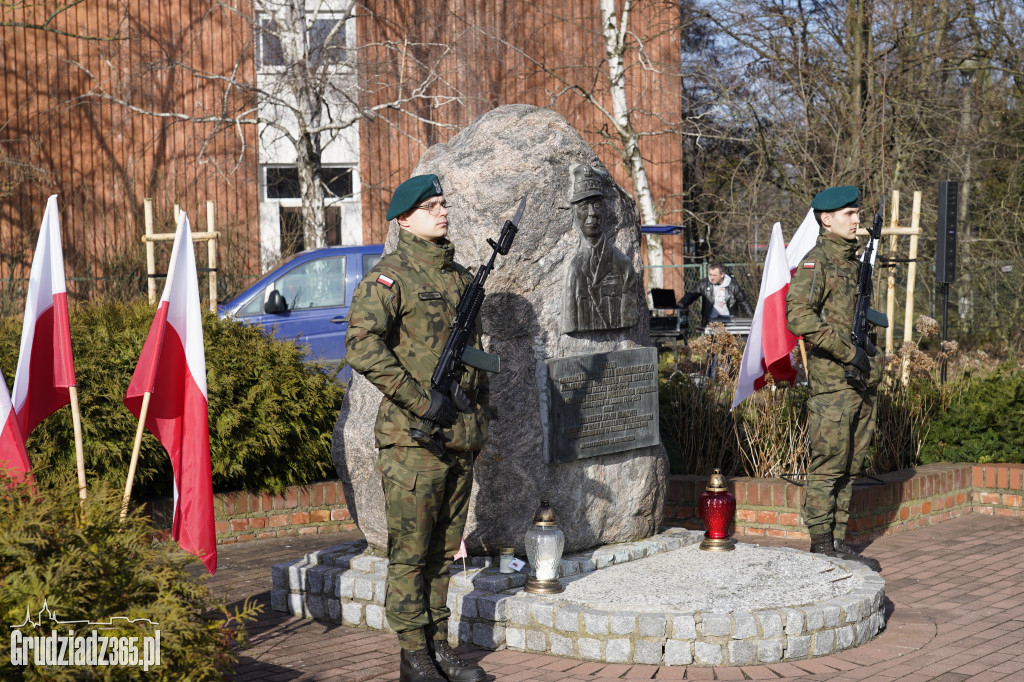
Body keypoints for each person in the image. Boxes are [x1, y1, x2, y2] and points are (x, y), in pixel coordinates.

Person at [345, 174, 490, 682]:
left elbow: (474, 360)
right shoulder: (390, 277)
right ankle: (413, 655)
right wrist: (419, 399)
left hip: (458, 436)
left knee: (443, 552)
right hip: (412, 440)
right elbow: (361, 345)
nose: (442, 211)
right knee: (410, 554)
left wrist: (479, 420)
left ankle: (439, 645)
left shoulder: (460, 278)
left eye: (444, 203)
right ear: (404, 219)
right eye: (430, 206)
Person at [785, 185, 884, 572]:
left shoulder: (855, 264)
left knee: (852, 465)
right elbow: (799, 317)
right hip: (832, 384)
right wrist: (849, 353)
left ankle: (838, 541)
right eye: (849, 214)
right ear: (826, 219)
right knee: (829, 466)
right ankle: (821, 543)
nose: (856, 219)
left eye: (857, 212)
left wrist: (871, 360)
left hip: (859, 382)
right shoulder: (818, 262)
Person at [560, 163, 641, 334]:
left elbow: (631, 316)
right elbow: (569, 320)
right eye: (584, 206)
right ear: (574, 212)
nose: (592, 213)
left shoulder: (623, 265)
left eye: (597, 205)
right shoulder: (574, 269)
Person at [676, 263, 754, 326]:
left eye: (714, 275)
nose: (712, 278)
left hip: (729, 321)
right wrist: (683, 303)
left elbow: (744, 302)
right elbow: (692, 294)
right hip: (711, 322)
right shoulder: (704, 284)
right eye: (710, 274)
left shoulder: (733, 286)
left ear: (722, 274)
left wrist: (753, 320)